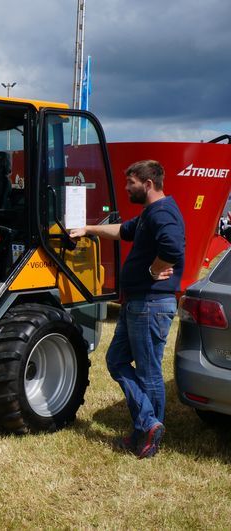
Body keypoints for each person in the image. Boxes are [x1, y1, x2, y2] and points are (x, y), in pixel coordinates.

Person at [69, 160, 185, 459]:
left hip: (150, 303)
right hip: (138, 303)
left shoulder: (163, 212)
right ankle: (148, 425)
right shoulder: (150, 213)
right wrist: (88, 229)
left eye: (130, 183)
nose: (126, 188)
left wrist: (152, 270)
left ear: (147, 184)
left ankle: (146, 433)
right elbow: (124, 230)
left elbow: (172, 249)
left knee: (148, 372)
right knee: (116, 360)